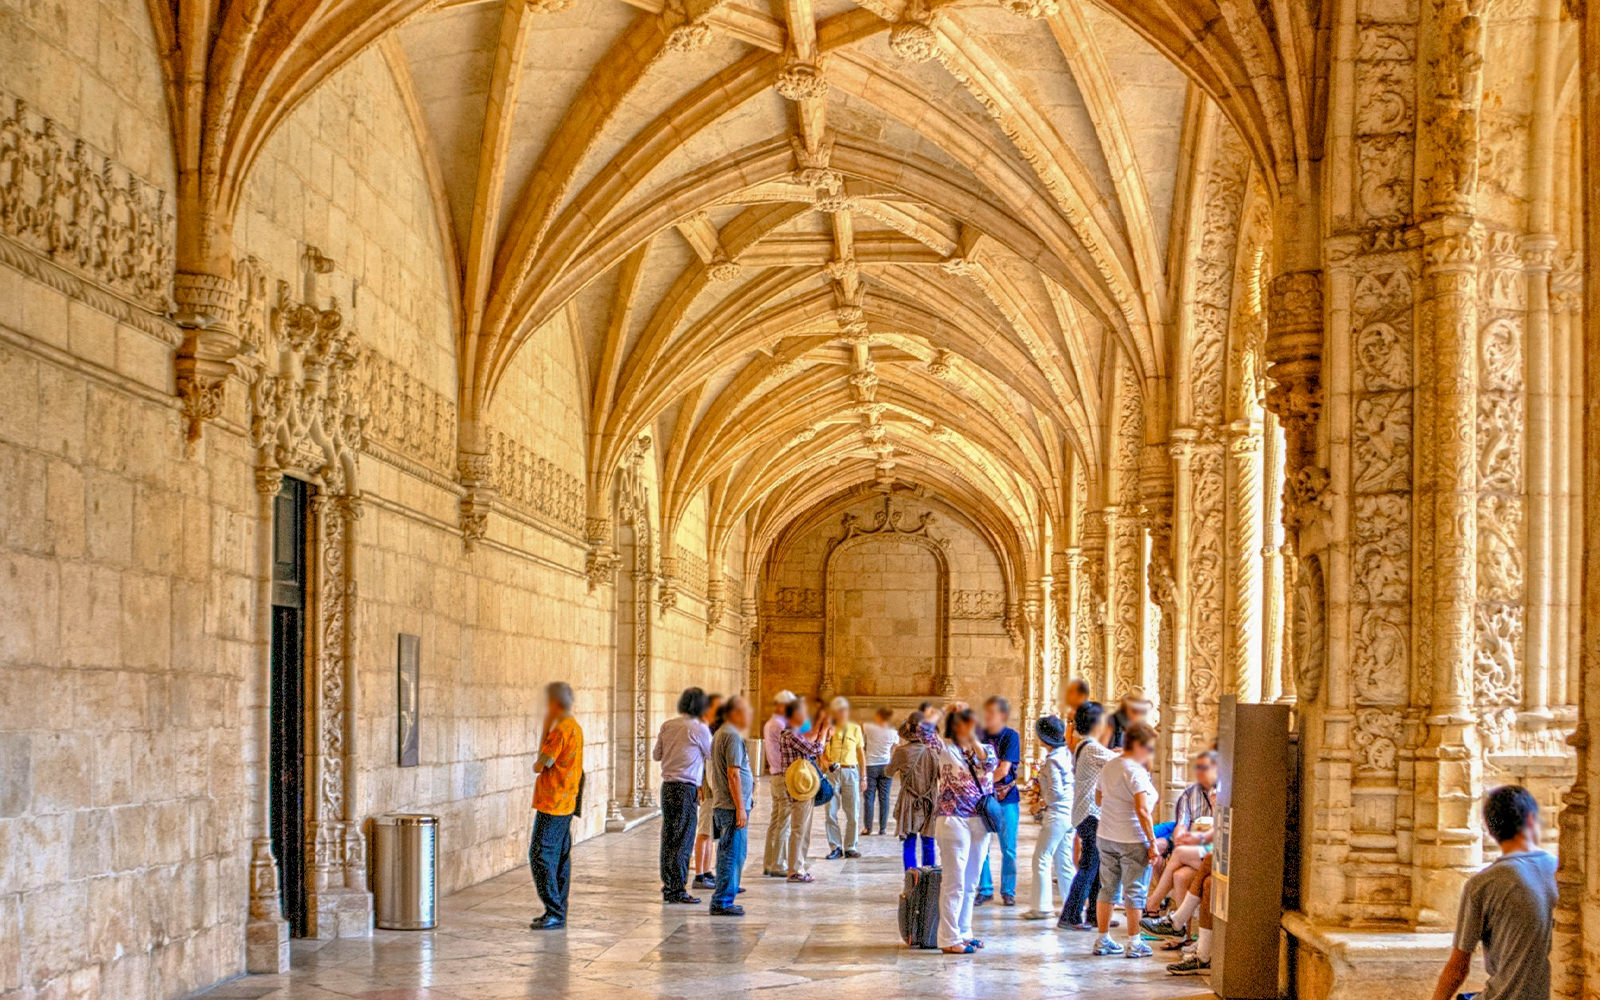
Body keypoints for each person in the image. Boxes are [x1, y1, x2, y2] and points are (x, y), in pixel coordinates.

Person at [1429, 785, 1558, 1000]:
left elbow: (1458, 967)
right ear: (1530, 820)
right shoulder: (1559, 871)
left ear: (1491, 831)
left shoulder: (1483, 885)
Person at [920, 706, 997, 955]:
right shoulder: (945, 749)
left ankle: (964, 932)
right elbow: (923, 733)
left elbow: (989, 764)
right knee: (955, 882)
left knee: (972, 881)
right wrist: (942, 711)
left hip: (980, 821)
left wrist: (972, 739)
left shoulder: (985, 750)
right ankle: (949, 937)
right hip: (953, 820)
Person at [1093, 722, 1159, 958]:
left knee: (1108, 887)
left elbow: (1098, 799)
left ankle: (1102, 939)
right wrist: (1152, 841)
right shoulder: (1135, 771)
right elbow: (1142, 810)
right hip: (1131, 837)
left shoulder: (1109, 766)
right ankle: (1134, 942)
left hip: (1106, 835)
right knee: (1135, 890)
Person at [1142, 750, 1217, 929]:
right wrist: (1182, 836)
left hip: (1211, 852)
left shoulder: (1225, 793)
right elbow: (1181, 826)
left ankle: (1153, 903)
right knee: (1180, 876)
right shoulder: (1190, 794)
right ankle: (1185, 936)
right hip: (1197, 851)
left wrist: (1214, 807)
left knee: (1179, 852)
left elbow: (1220, 829)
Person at [530, 681, 583, 930]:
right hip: (567, 801)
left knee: (540, 854)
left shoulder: (561, 729)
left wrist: (545, 725)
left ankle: (554, 909)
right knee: (560, 857)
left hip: (553, 803)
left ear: (553, 703)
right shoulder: (574, 726)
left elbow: (541, 763)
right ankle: (559, 909)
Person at [653, 687, 712, 904]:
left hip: (667, 787)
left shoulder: (668, 725)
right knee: (683, 839)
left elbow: (656, 755)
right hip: (686, 789)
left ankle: (669, 884)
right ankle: (677, 889)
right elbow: (711, 754)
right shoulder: (699, 729)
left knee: (669, 837)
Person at [1060, 701, 1115, 930]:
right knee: (1089, 865)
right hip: (1090, 813)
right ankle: (1070, 915)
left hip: (1088, 813)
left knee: (1097, 866)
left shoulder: (1084, 745)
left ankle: (1095, 913)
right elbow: (1119, 763)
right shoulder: (1091, 747)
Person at [1023, 715, 1075, 919]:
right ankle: (1072, 906)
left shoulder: (1053, 761)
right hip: (1069, 813)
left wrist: (1039, 805)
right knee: (1063, 861)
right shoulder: (1065, 755)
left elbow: (1056, 792)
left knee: (1041, 859)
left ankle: (1042, 907)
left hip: (1058, 814)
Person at [707, 695, 755, 916]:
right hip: (731, 806)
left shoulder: (721, 733)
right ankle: (723, 901)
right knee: (732, 853)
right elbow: (733, 774)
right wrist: (741, 808)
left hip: (725, 804)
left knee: (730, 851)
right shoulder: (731, 735)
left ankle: (726, 894)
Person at [777, 697, 831, 882]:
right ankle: (794, 871)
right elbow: (816, 749)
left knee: (804, 827)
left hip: (803, 785)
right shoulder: (789, 735)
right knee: (799, 828)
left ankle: (799, 866)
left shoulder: (795, 734)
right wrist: (823, 730)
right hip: (798, 786)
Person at [976, 696, 1022, 906]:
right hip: (984, 799)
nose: (987, 717)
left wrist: (981, 782)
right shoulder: (979, 736)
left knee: (1008, 848)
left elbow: (1003, 770)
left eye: (992, 713)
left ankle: (1008, 890)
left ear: (1002, 715)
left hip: (1005, 799)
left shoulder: (1011, 736)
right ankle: (985, 888)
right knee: (981, 847)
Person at [887, 713, 939, 868]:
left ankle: (912, 883)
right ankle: (929, 884)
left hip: (910, 801)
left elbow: (888, 772)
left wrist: (894, 754)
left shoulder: (902, 752)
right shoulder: (934, 751)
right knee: (928, 842)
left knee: (909, 843)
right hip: (930, 800)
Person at [824, 697, 866, 859]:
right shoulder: (828, 729)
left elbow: (861, 754)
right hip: (833, 772)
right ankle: (835, 846)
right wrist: (827, 764)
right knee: (831, 811)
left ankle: (850, 846)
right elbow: (821, 751)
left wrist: (863, 777)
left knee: (853, 811)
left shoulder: (855, 728)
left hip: (850, 771)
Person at [762, 690, 798, 877]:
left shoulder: (771, 722)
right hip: (784, 775)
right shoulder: (780, 725)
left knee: (775, 821)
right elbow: (802, 737)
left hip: (775, 775)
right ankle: (778, 864)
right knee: (783, 821)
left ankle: (769, 862)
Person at [690, 693, 724, 890]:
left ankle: (707, 871)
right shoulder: (703, 730)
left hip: (712, 788)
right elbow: (706, 762)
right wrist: (702, 786)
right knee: (704, 831)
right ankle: (700, 874)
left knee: (710, 833)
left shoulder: (713, 731)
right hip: (709, 789)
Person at [863, 706, 897, 836]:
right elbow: (895, 746)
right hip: (886, 765)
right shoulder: (893, 731)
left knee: (869, 798)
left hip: (871, 764)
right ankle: (882, 828)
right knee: (884, 798)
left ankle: (868, 827)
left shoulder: (868, 726)